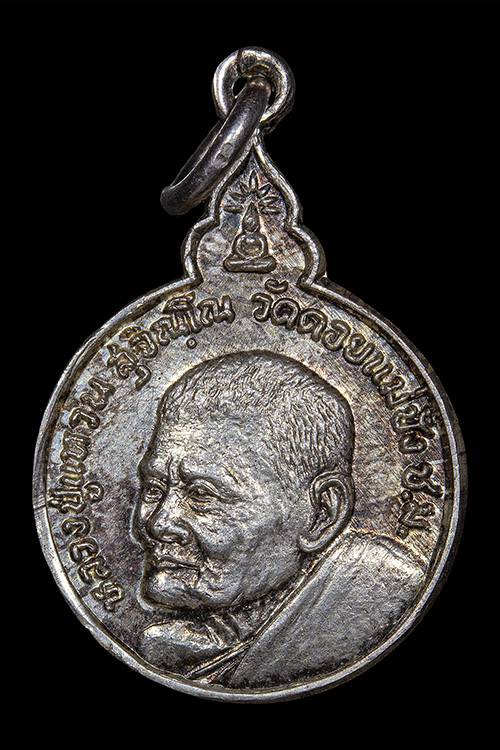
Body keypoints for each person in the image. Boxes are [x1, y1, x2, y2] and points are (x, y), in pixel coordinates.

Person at [133, 351, 424, 687]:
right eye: (154, 489)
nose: (157, 523)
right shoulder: (174, 645)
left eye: (202, 494)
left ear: (322, 515)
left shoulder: (383, 604)